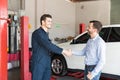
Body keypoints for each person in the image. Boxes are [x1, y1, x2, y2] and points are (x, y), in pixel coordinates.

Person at [31, 14, 72, 80]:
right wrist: (64, 51)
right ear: (43, 22)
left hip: (47, 61)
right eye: (49, 21)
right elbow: (48, 45)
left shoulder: (46, 34)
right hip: (39, 62)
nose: (51, 23)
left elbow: (49, 46)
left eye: (51, 21)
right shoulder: (37, 33)